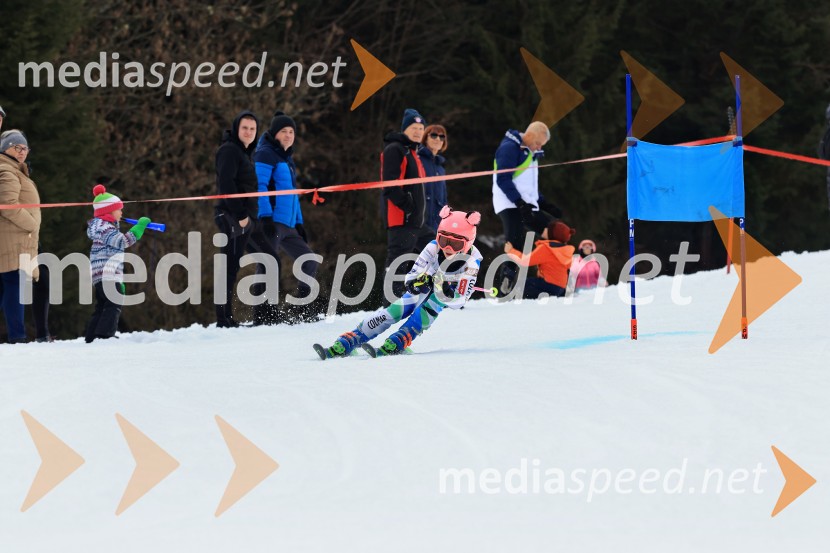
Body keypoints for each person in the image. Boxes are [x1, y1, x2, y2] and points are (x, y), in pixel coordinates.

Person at [316, 206, 482, 358]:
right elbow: (411, 278)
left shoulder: (472, 262)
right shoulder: (433, 247)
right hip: (429, 281)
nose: (448, 248)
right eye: (443, 240)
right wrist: (417, 283)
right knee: (399, 308)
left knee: (432, 306)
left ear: (468, 243)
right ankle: (353, 338)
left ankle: (400, 339)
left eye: (456, 244)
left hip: (445, 291)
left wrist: (446, 291)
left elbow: (459, 301)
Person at [213, 110, 282, 328]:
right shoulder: (229, 150)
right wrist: (241, 215)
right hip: (233, 217)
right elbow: (226, 184)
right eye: (245, 128)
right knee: (230, 266)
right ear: (236, 128)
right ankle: (223, 319)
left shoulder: (244, 153)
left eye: (253, 129)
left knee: (270, 259)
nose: (249, 132)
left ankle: (265, 314)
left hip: (249, 219)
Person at [254, 111, 320, 322]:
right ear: (274, 134)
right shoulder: (265, 154)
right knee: (268, 264)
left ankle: (301, 309)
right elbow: (259, 187)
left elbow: (292, 194)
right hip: (272, 220)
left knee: (309, 260)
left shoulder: (288, 159)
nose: (289, 135)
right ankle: (263, 313)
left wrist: (299, 223)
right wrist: (264, 216)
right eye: (284, 131)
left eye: (291, 132)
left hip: (288, 223)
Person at [492, 121, 562, 293]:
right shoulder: (509, 148)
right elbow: (503, 179)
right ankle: (504, 285)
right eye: (538, 143)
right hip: (509, 203)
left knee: (553, 231)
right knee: (515, 241)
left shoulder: (531, 152)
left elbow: (528, 184)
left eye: (541, 145)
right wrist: (519, 202)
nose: (539, 147)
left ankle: (553, 279)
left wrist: (544, 203)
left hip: (526, 203)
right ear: (530, 135)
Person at [84, 185, 151, 343]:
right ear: (109, 211)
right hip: (107, 273)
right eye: (119, 209)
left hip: (101, 275)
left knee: (102, 305)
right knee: (113, 303)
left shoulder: (101, 227)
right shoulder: (105, 228)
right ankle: (105, 335)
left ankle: (92, 336)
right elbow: (123, 241)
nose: (121, 213)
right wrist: (139, 227)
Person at [381, 108, 435, 299]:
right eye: (414, 127)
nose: (418, 131)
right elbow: (390, 186)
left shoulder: (413, 152)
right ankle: (391, 303)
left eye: (421, 128)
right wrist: (408, 207)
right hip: (401, 219)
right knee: (398, 261)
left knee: (438, 249)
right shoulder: (395, 149)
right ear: (405, 129)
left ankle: (438, 294)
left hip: (416, 222)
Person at [0, 130, 40, 343]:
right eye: (17, 147)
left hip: (13, 239)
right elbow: (8, 206)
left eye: (25, 148)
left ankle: (17, 335)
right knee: (14, 285)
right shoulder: (7, 171)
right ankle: (17, 336)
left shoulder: (14, 169)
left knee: (7, 287)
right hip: (12, 240)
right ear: (6, 148)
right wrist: (32, 224)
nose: (22, 151)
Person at [504, 220, 575, 299]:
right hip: (561, 288)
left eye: (547, 229)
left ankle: (516, 303)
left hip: (548, 285)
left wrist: (510, 251)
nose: (544, 229)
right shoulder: (565, 250)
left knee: (523, 285)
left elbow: (525, 261)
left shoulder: (546, 248)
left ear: (552, 234)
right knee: (531, 283)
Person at [418, 124, 448, 231]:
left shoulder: (440, 169)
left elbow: (443, 199)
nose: (438, 139)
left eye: (442, 137)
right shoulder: (418, 160)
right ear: (426, 138)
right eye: (434, 135)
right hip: (419, 222)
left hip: (436, 224)